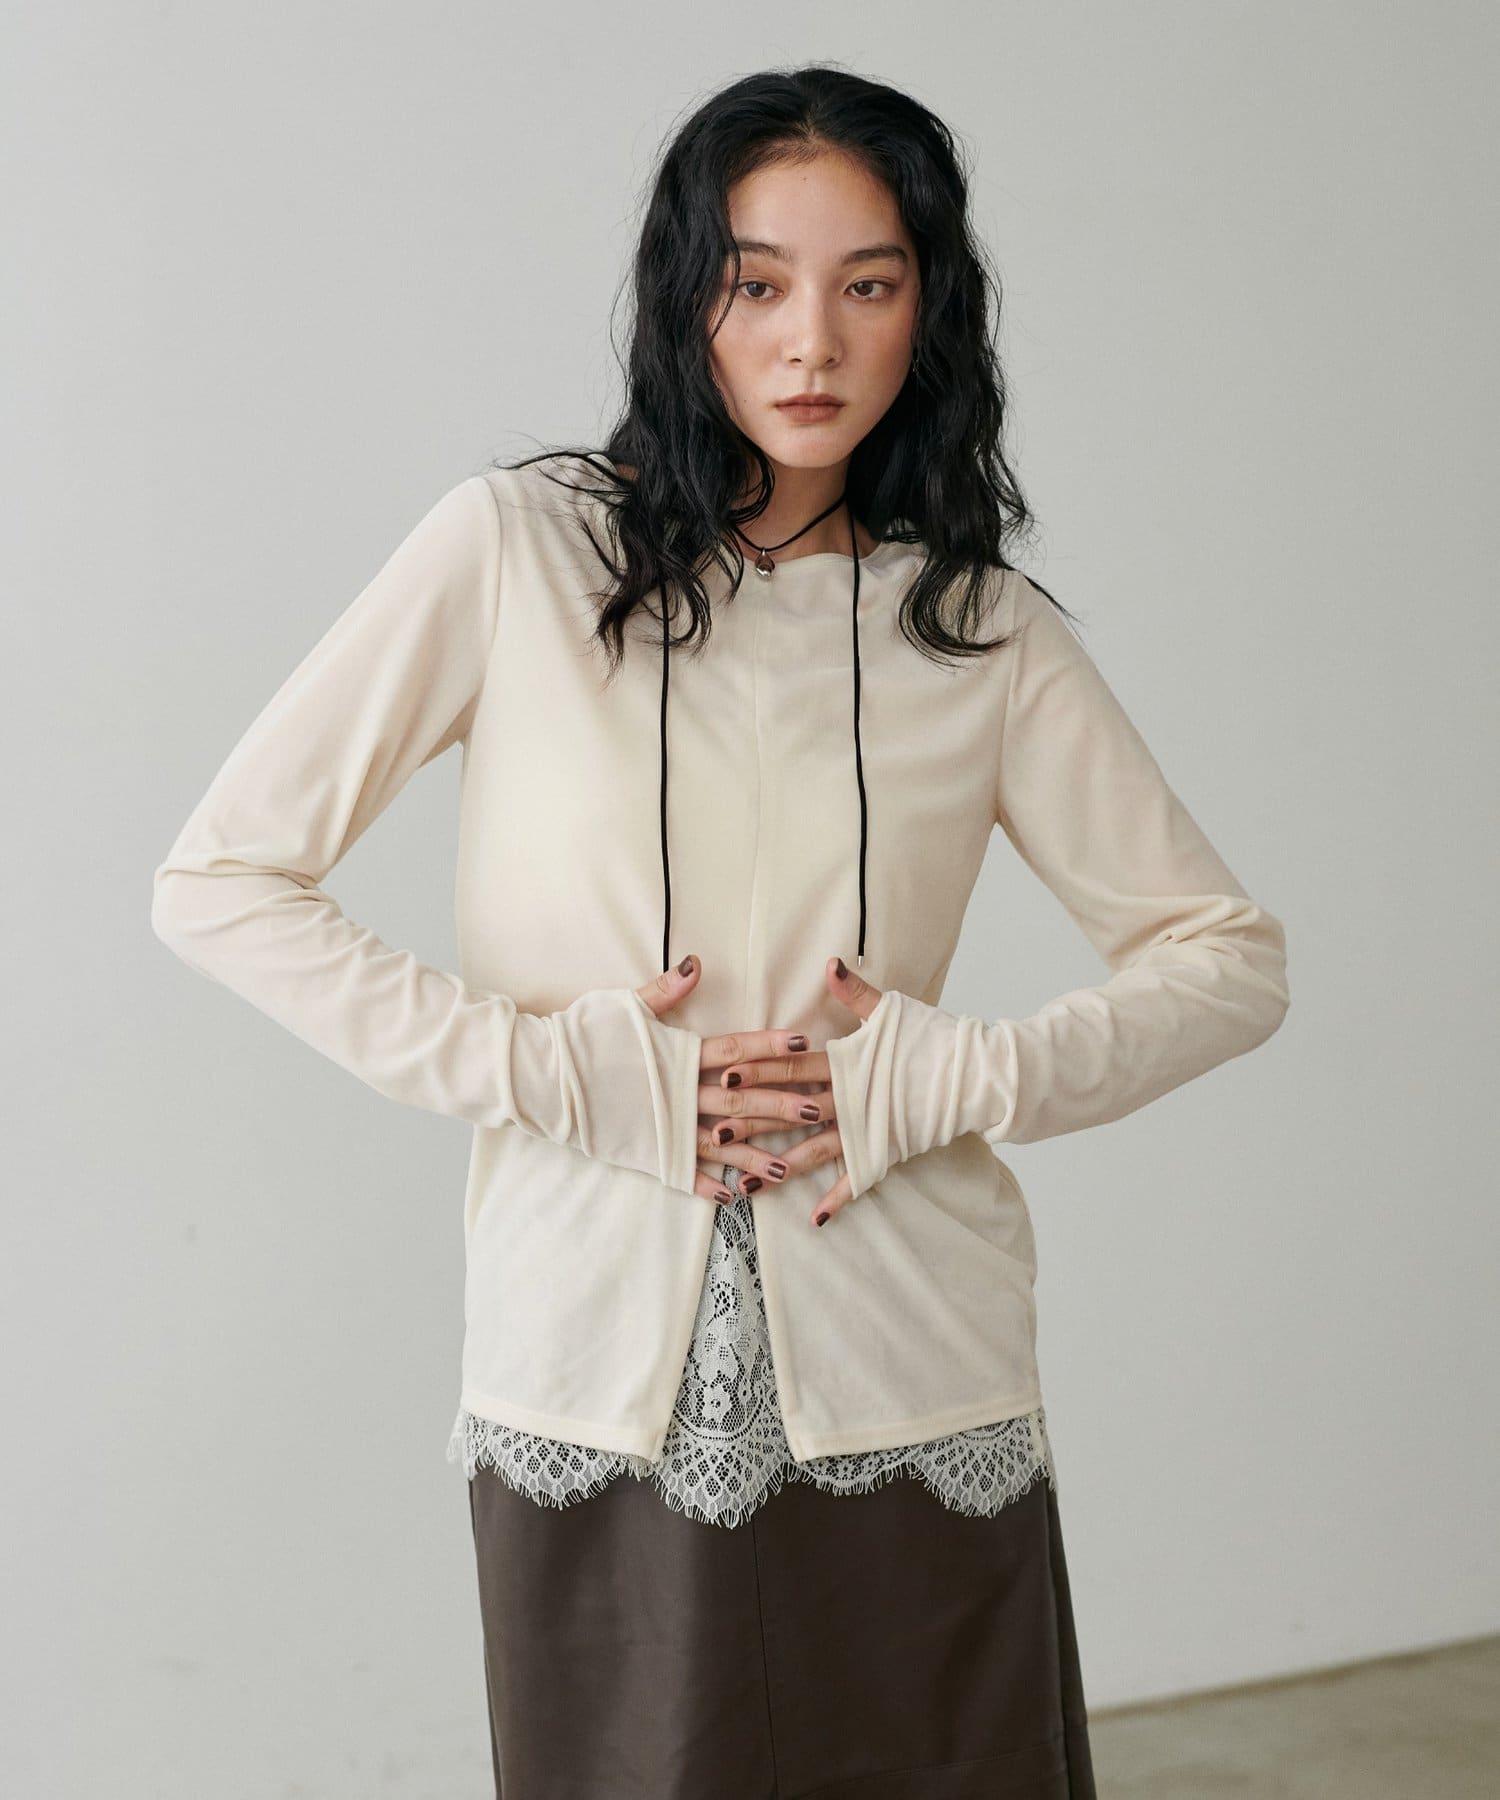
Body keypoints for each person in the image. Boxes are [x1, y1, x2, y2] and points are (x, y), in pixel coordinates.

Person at [151, 63, 1290, 1800]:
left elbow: (1227, 959)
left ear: (930, 309)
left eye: (868, 284)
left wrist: (952, 1077)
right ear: (687, 296)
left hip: (917, 1373)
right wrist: (563, 1073)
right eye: (756, 284)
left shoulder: (977, 629)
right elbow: (222, 879)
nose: (811, 342)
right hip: (590, 1365)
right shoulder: (516, 551)